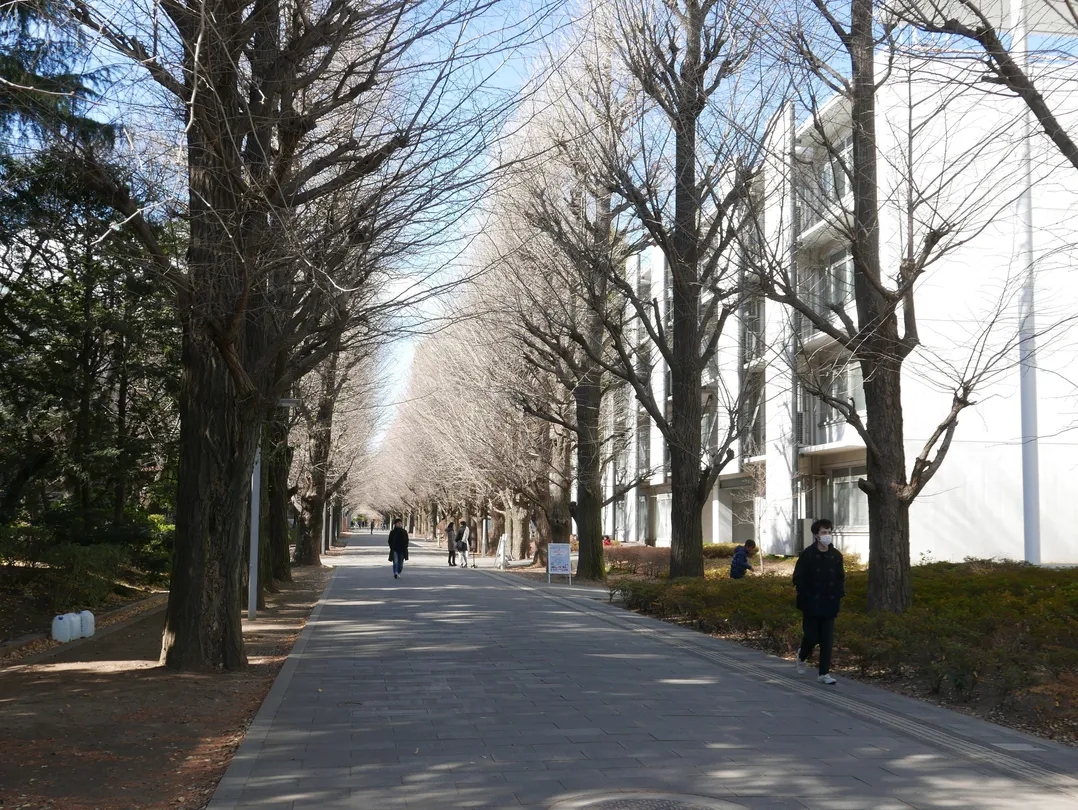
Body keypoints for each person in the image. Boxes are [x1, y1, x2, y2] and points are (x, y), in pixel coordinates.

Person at [792, 518, 845, 685]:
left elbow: (840, 577)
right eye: (824, 532)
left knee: (827, 640)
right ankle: (802, 654)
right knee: (811, 636)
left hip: (829, 603)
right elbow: (798, 578)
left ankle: (824, 673)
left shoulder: (836, 556)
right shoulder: (807, 555)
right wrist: (806, 595)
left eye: (829, 532)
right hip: (811, 604)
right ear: (816, 535)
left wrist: (838, 594)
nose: (827, 535)